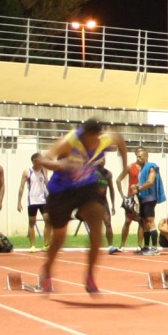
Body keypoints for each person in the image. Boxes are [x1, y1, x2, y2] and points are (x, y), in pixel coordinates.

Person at [34, 118, 130, 295]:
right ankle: (47, 270)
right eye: (88, 140)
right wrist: (60, 165)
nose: (92, 144)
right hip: (61, 191)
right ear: (84, 135)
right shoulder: (70, 140)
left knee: (97, 227)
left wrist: (124, 168)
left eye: (95, 140)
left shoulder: (105, 139)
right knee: (59, 238)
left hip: (86, 187)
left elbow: (120, 141)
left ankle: (90, 275)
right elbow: (44, 159)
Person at [112, 149, 144, 254]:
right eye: (137, 155)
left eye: (141, 155)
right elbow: (118, 180)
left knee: (141, 222)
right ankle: (122, 245)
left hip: (142, 197)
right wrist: (122, 195)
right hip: (131, 198)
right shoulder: (130, 167)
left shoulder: (147, 168)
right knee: (127, 221)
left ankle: (139, 246)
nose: (139, 157)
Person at [134, 147, 165, 254]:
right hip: (142, 198)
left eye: (140, 157)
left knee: (150, 222)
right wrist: (136, 186)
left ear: (146, 156)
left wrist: (139, 189)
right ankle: (146, 247)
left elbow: (150, 182)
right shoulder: (142, 169)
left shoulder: (151, 167)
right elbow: (143, 182)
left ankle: (155, 248)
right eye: (137, 157)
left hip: (150, 198)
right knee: (144, 223)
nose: (138, 158)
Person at [19, 161, 50, 249]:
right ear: (34, 162)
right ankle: (32, 245)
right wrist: (19, 202)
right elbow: (21, 187)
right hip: (32, 201)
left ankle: (46, 244)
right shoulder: (27, 171)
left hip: (43, 200)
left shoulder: (43, 170)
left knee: (48, 220)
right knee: (32, 222)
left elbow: (47, 184)